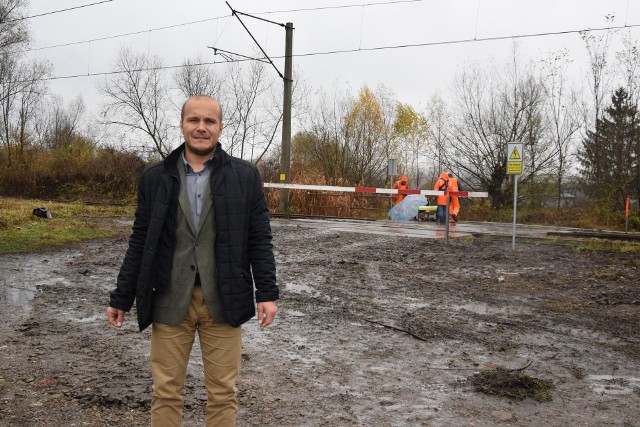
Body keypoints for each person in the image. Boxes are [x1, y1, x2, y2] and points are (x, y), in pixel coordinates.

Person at [106, 95, 278, 426]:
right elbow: (141, 240)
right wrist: (121, 297)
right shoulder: (155, 177)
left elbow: (259, 238)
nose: (201, 127)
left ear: (220, 127)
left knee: (223, 392)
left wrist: (266, 293)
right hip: (170, 299)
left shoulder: (244, 176)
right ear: (182, 124)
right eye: (194, 120)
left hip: (224, 300)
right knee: (166, 391)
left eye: (209, 121)